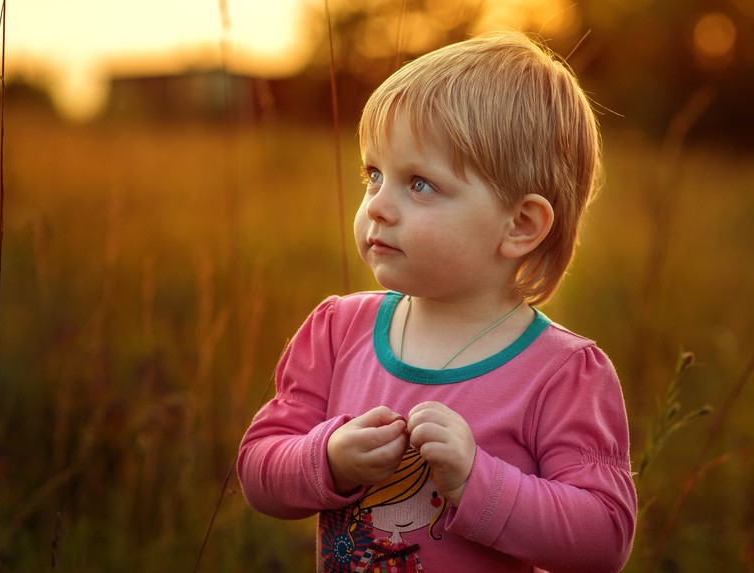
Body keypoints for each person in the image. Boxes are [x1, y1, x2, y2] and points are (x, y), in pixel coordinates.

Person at [237, 29, 637, 572]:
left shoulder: (564, 374)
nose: (377, 205)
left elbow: (603, 539)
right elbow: (258, 468)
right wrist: (328, 458)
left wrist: (479, 481)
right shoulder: (337, 330)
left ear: (519, 225)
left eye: (419, 184)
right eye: (373, 175)